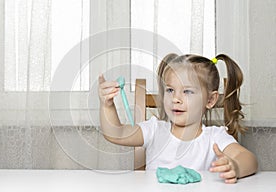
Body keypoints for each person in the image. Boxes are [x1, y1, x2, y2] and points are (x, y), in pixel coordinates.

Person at [98, 53, 258, 184]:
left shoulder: (214, 137)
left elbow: (248, 159)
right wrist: (107, 105)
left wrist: (235, 166)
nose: (176, 98)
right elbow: (116, 133)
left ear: (210, 100)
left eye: (187, 91)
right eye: (170, 90)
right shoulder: (154, 130)